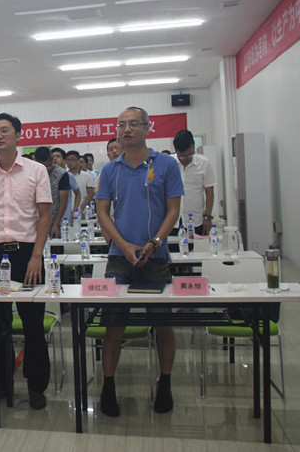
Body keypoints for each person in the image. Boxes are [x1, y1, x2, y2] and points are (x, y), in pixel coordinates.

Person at [95, 107, 183, 417]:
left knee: (163, 325)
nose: (126, 129)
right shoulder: (110, 169)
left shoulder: (166, 165)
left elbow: (173, 210)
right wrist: (123, 245)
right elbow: (102, 211)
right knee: (113, 327)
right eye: (121, 125)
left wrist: (154, 242)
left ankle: (165, 383)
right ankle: (108, 387)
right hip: (119, 259)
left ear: (148, 127)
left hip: (155, 257)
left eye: (133, 124)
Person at [0, 113, 53, 410]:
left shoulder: (36, 170)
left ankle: (36, 386)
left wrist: (36, 256)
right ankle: (2, 384)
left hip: (27, 253)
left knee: (33, 325)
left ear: (19, 135)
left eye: (4, 130)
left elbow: (45, 215)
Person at [173, 129, 216, 235]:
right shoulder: (169, 163)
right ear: (176, 151)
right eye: (183, 156)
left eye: (189, 155)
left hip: (196, 220)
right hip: (172, 220)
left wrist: (208, 217)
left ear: (193, 146)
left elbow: (209, 191)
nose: (186, 159)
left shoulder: (204, 163)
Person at [34, 146, 71, 238]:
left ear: (52, 160)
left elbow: (63, 202)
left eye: (47, 166)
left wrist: (56, 224)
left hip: (54, 221)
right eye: (41, 167)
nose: (45, 170)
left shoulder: (62, 174)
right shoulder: (32, 173)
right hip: (35, 223)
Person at [51, 147, 80, 220]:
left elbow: (78, 194)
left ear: (64, 160)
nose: (55, 159)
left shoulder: (68, 175)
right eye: (52, 157)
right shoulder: (46, 175)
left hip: (65, 217)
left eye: (58, 156)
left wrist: (75, 210)